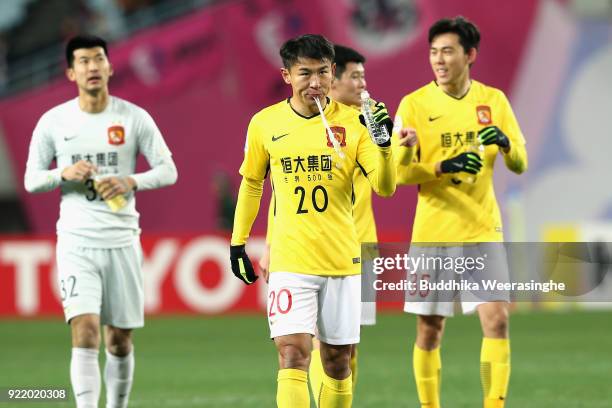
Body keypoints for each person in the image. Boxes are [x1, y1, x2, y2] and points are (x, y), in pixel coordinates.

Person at [229, 34, 398, 408]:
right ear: (286, 76)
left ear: (332, 71)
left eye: (323, 72)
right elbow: (252, 182)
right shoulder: (265, 124)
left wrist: (384, 147)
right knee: (293, 353)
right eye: (304, 73)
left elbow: (385, 187)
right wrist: (238, 242)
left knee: (338, 361)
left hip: (342, 260)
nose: (315, 83)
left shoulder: (355, 124)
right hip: (292, 260)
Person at [24, 35, 178, 408]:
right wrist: (64, 173)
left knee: (119, 339)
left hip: (122, 238)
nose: (92, 67)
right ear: (70, 72)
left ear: (109, 67)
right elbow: (31, 180)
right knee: (86, 329)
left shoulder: (133, 117)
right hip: (77, 241)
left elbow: (168, 170)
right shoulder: (54, 122)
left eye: (98, 60)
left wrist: (130, 180)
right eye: (83, 61)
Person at [392, 17, 527, 408]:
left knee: (497, 320)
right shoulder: (414, 105)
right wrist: (441, 167)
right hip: (434, 231)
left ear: (470, 55)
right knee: (430, 329)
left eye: (447, 51)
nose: (439, 59)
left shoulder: (494, 101)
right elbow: (396, 175)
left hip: (482, 228)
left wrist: (504, 143)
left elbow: (519, 161)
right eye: (433, 52)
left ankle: (494, 405)